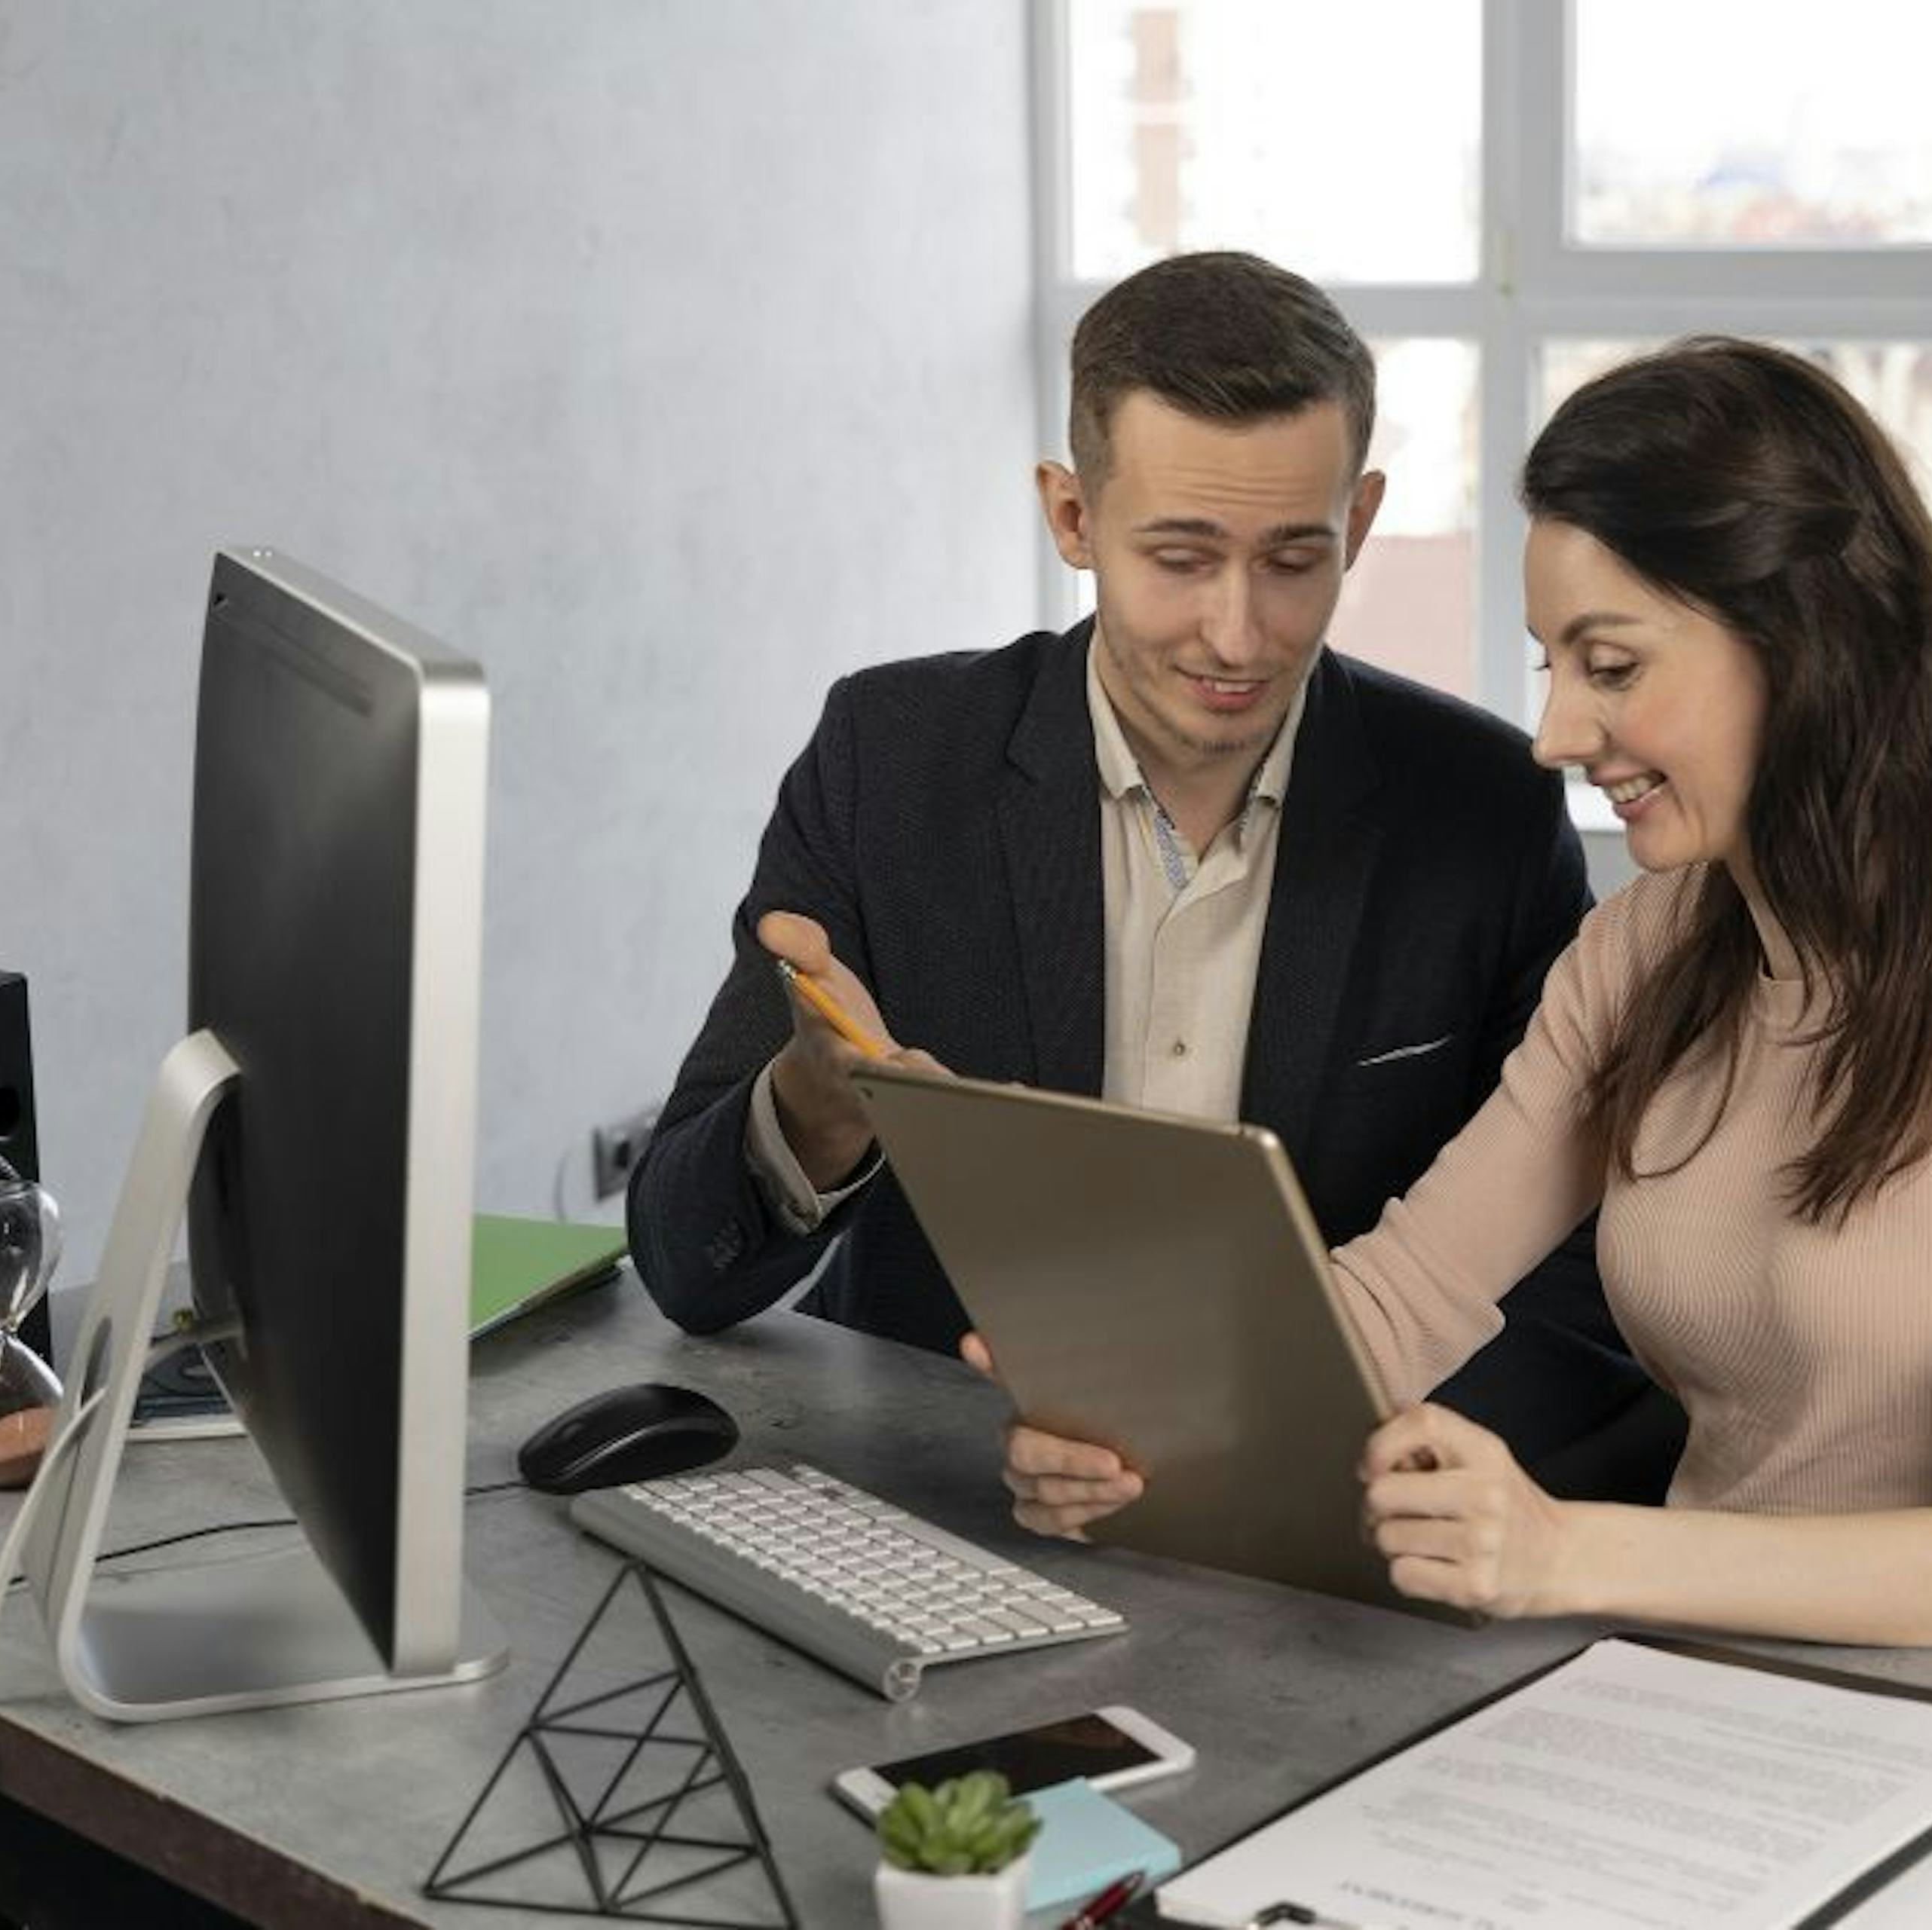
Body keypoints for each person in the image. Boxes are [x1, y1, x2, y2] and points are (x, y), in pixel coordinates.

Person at [1003, 338, 1932, 1662]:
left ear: (1804, 641)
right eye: (1551, 667)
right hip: (1676, 1684)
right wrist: (1130, 1411)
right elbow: (1405, 1294)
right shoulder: (1647, 950)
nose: (1558, 735)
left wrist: (1571, 1548)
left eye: (1613, 666)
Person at [624, 250, 1652, 1464]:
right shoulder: (887, 763)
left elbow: (1578, 1290)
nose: (1238, 630)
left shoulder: (1483, 809)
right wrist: (810, 1114)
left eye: (1292, 558)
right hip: (942, 1501)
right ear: (1072, 516)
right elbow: (686, 1265)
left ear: (1360, 523)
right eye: (1179, 557)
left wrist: (1325, 1469)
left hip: (1330, 1538)